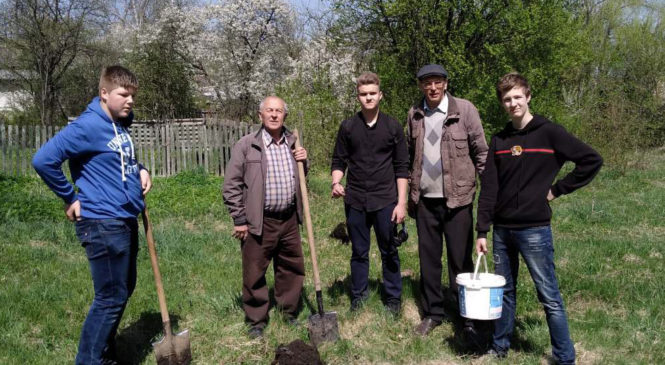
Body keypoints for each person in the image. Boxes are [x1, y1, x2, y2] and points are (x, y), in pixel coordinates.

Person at [476, 73, 603, 363]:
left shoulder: (550, 133)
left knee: (548, 295)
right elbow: (489, 189)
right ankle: (499, 349)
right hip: (502, 230)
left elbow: (591, 160)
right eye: (507, 99)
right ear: (502, 103)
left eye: (517, 97)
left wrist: (557, 190)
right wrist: (482, 230)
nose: (513, 103)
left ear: (528, 96)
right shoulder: (500, 140)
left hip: (534, 230)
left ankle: (564, 356)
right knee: (504, 292)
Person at [32, 65, 152, 364]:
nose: (130, 101)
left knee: (123, 290)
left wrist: (140, 169)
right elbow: (44, 160)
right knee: (110, 297)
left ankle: (104, 352)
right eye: (123, 95)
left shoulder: (121, 122)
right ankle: (89, 360)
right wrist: (70, 197)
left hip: (124, 217)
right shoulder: (87, 126)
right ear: (103, 93)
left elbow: (119, 155)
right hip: (102, 222)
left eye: (132, 95)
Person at [406, 64, 489, 337]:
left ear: (445, 83)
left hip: (458, 200)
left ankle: (467, 316)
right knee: (429, 261)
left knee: (460, 260)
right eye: (427, 83)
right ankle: (433, 313)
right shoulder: (414, 115)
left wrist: (490, 191)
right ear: (420, 86)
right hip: (425, 202)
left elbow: (481, 152)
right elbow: (409, 157)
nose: (432, 88)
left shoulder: (464, 110)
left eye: (437, 82)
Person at [222, 96, 308, 339]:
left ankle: (288, 312)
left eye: (278, 111)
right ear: (260, 115)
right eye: (269, 110)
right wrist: (239, 218)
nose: (273, 115)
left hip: (289, 218)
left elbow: (301, 179)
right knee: (254, 271)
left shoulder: (293, 143)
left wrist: (304, 161)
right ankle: (256, 321)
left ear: (284, 116)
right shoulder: (247, 145)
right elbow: (231, 185)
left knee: (291, 267)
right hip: (259, 220)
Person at [331, 72, 409, 315]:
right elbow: (338, 160)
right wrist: (336, 182)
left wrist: (402, 203)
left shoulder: (393, 127)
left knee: (389, 251)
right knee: (359, 252)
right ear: (358, 97)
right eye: (364, 94)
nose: (368, 98)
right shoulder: (348, 127)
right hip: (355, 200)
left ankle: (393, 299)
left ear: (380, 95)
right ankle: (359, 297)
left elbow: (401, 167)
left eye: (372, 94)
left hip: (386, 200)